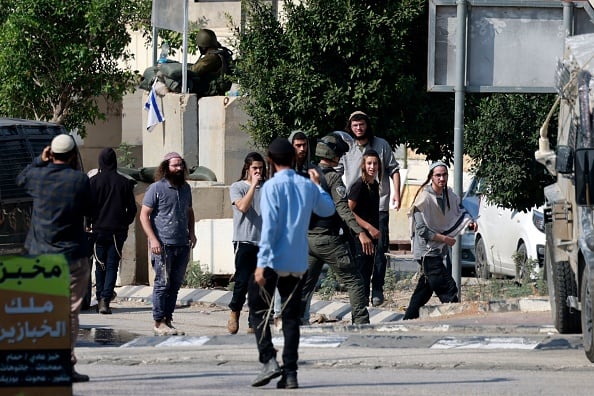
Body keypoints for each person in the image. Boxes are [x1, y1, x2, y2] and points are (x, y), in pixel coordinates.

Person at [248, 138, 334, 389]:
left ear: (270, 160)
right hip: (297, 261)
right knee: (291, 318)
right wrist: (317, 186)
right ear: (293, 158)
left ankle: (268, 359)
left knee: (258, 310)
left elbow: (270, 228)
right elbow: (328, 210)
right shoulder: (307, 186)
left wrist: (261, 264)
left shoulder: (271, 187)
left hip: (274, 259)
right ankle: (291, 373)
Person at [16, 134, 92, 383]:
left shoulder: (38, 177)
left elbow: (21, 179)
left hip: (40, 256)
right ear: (72, 156)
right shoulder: (79, 180)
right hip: (72, 255)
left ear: (51, 153)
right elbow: (89, 210)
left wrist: (40, 160)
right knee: (69, 312)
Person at [300, 133, 371, 324]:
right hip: (328, 239)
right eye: (339, 155)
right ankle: (362, 322)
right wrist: (360, 232)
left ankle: (293, 320)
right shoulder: (332, 178)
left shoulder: (309, 174)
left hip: (309, 239)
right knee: (354, 281)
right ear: (335, 155)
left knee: (306, 285)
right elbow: (343, 209)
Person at [340, 110, 401, 307]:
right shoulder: (347, 149)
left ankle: (377, 289)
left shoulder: (381, 145)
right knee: (359, 254)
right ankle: (359, 295)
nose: (359, 128)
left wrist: (396, 193)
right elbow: (336, 173)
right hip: (356, 208)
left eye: (362, 124)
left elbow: (394, 169)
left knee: (379, 251)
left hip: (379, 206)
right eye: (355, 125)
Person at [403, 162, 476, 320]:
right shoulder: (423, 198)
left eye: (444, 175)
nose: (441, 178)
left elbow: (458, 211)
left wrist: (469, 221)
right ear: (431, 177)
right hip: (426, 250)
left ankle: (408, 320)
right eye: (438, 175)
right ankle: (458, 319)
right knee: (448, 288)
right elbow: (422, 230)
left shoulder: (448, 195)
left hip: (438, 249)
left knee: (424, 291)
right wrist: (445, 239)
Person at [139, 152, 197, 336]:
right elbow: (144, 215)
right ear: (166, 167)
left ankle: (168, 319)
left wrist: (192, 233)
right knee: (162, 283)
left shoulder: (186, 188)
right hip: (162, 244)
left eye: (180, 165)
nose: (178, 169)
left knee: (175, 284)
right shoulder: (156, 188)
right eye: (174, 166)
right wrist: (153, 239)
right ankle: (158, 321)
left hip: (182, 243)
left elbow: (189, 211)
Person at [88, 148, 137, 315]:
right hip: (117, 232)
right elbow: (131, 209)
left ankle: (101, 297)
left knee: (99, 265)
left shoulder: (93, 182)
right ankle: (105, 300)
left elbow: (87, 207)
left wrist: (88, 223)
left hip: (98, 230)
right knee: (111, 266)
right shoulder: (124, 182)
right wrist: (124, 223)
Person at [227, 152, 266, 334]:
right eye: (255, 168)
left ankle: (254, 321)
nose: (258, 171)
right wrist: (254, 186)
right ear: (247, 169)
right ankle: (234, 312)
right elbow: (242, 207)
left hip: (264, 242)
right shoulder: (238, 187)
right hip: (244, 241)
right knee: (242, 282)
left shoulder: (267, 187)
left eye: (261, 168)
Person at [348, 149, 382, 306]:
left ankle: (364, 309)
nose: (372, 167)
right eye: (369, 163)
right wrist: (367, 228)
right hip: (359, 236)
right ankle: (359, 311)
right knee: (361, 274)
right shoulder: (359, 185)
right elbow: (348, 210)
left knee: (367, 272)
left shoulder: (374, 185)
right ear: (363, 165)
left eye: (375, 163)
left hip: (371, 236)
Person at [189, 28, 228, 96]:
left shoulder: (212, 58)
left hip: (210, 96)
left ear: (203, 46)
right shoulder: (218, 54)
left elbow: (194, 70)